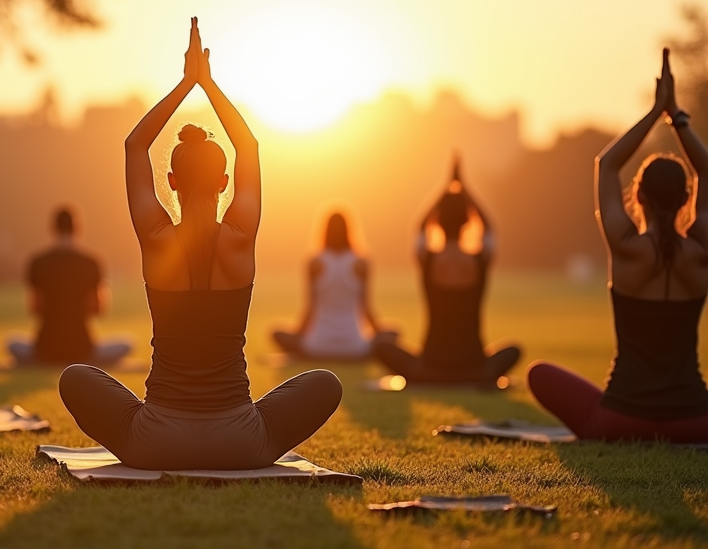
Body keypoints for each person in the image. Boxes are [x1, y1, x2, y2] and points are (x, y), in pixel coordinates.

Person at [58, 18, 343, 470]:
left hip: (155, 442)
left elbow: (135, 146)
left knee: (75, 377)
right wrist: (208, 85)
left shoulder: (156, 240)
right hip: (241, 442)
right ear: (225, 181)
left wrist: (185, 83)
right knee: (326, 382)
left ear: (170, 182)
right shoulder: (239, 238)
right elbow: (247, 145)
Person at [527, 49, 708, 442]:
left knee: (538, 374)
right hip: (695, 422)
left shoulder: (626, 248)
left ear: (637, 197)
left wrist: (654, 109)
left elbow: (607, 164)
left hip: (621, 419)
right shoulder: (700, 252)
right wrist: (676, 117)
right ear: (685, 199)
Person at [374, 156, 521, 385]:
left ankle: (427, 375)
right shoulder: (478, 260)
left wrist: (444, 188)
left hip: (430, 365)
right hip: (474, 365)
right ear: (467, 222)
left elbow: (419, 228)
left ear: (438, 221)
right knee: (513, 350)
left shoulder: (429, 259)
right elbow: (490, 228)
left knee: (382, 347)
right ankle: (474, 376)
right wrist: (465, 188)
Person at [6, 206, 132, 366]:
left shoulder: (38, 262)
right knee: (127, 344)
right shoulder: (91, 262)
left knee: (11, 343)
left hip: (45, 349)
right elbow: (98, 309)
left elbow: (35, 308)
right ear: (78, 228)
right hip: (82, 349)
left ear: (53, 228)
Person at [272, 211, 396, 359]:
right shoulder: (361, 262)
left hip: (317, 346)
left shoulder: (314, 262)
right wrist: (380, 334)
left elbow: (310, 308)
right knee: (393, 332)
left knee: (276, 332)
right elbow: (366, 307)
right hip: (356, 347)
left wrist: (298, 336)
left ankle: (305, 351)